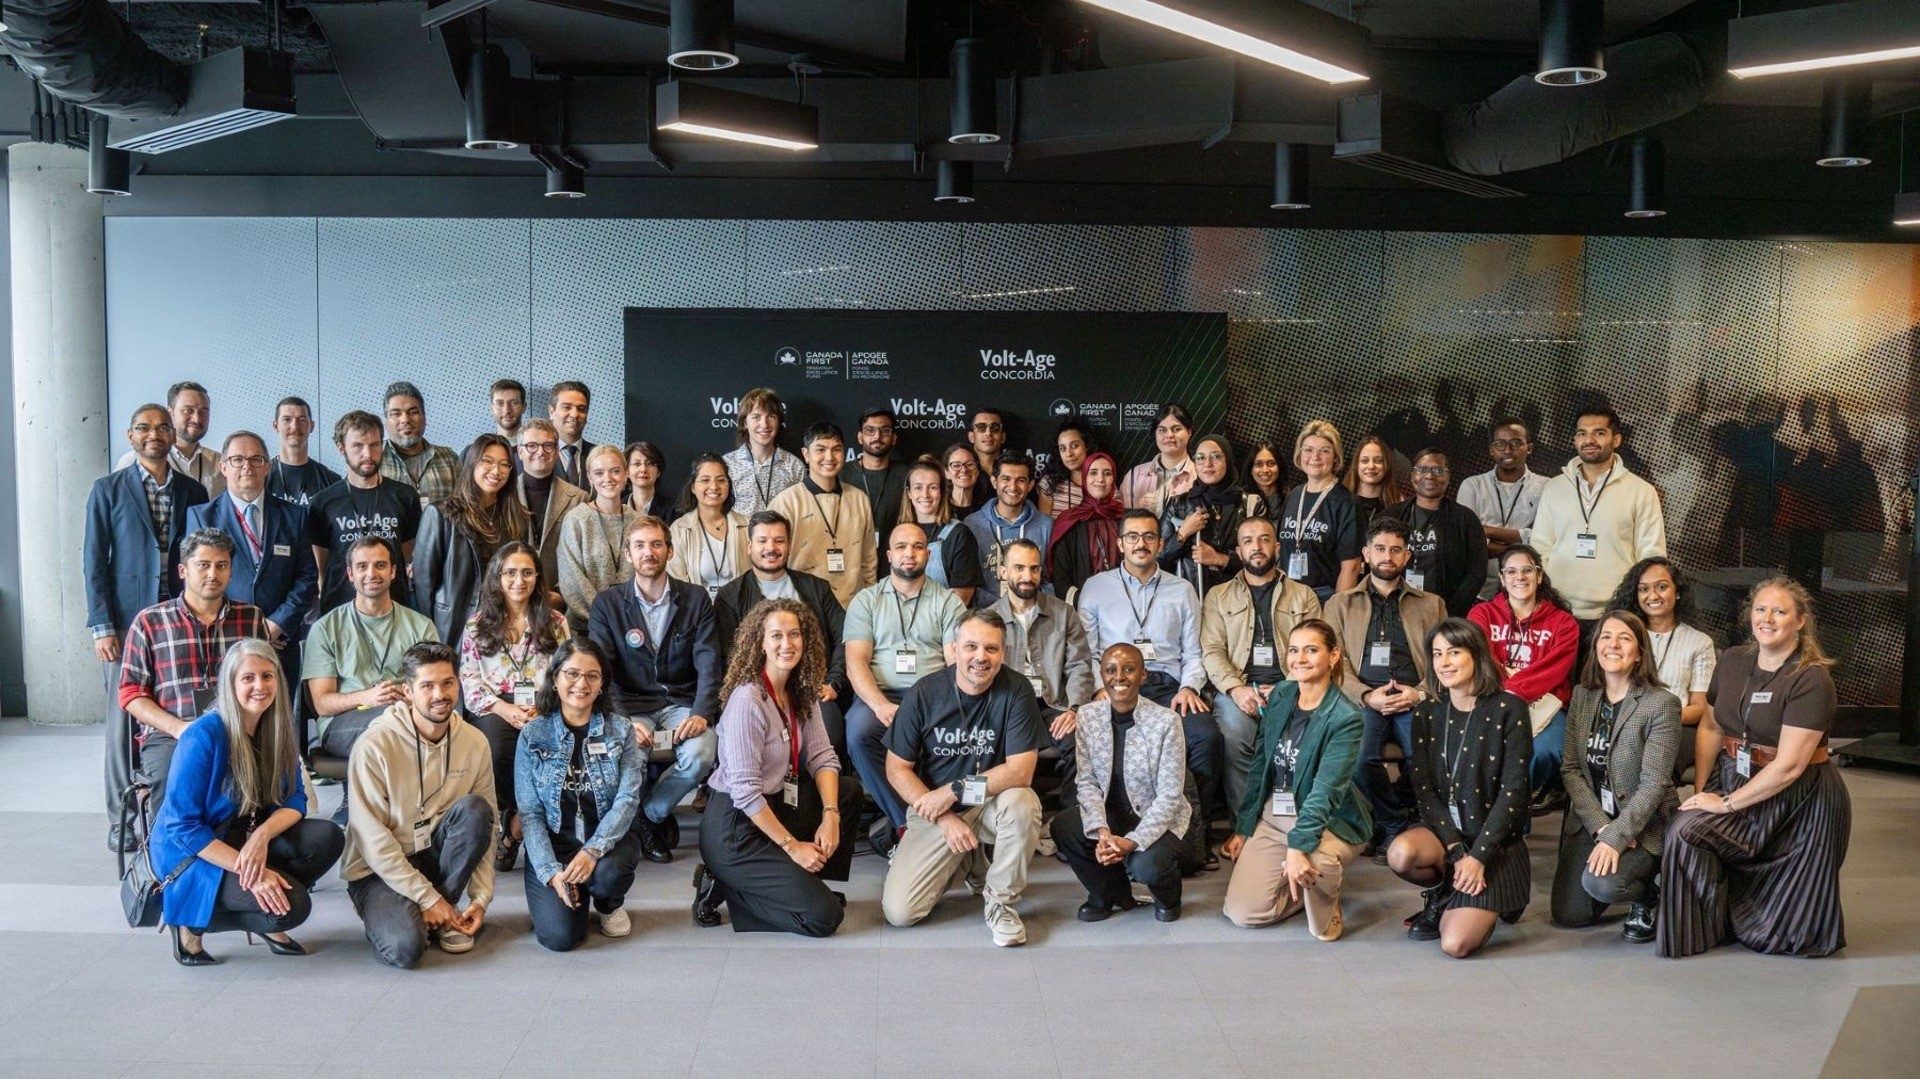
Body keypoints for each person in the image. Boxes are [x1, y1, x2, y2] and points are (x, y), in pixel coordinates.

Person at [1661, 577, 1850, 959]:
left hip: (1799, 800)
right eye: (1761, 609)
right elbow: (1711, 726)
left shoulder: (1812, 678)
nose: (1768, 619)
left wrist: (1726, 804)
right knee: (1685, 830)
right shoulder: (1732, 660)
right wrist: (1703, 789)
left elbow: (1790, 766)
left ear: (1800, 621)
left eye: (1780, 611)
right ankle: (1705, 927)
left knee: (1787, 937)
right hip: (1734, 773)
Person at [148, 639, 345, 965]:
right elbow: (182, 828)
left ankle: (256, 898)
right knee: (293, 908)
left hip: (245, 836)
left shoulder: (277, 728)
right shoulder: (203, 735)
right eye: (248, 678)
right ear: (230, 684)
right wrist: (254, 873)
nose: (260, 686)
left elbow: (295, 798)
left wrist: (261, 837)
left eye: (267, 676)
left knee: (328, 837)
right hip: (194, 853)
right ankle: (191, 922)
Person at [693, 599, 856, 936]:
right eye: (777, 635)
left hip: (778, 802)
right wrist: (793, 847)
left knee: (847, 793)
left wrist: (831, 815)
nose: (787, 644)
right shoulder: (747, 700)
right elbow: (746, 794)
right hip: (735, 828)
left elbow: (823, 757)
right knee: (824, 918)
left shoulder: (801, 690)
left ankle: (803, 881)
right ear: (761, 643)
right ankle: (728, 885)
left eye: (794, 634)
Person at [881, 610, 1044, 947]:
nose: (980, 657)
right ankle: (969, 861)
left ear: (1003, 653)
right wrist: (943, 817)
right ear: (954, 649)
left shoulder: (1017, 689)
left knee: (1024, 803)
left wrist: (955, 790)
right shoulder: (924, 693)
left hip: (990, 801)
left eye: (991, 648)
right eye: (971, 646)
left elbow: (1021, 771)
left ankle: (1001, 903)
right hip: (935, 809)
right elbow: (896, 768)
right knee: (901, 913)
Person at [89, 403, 212, 848]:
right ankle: (121, 821)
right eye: (143, 428)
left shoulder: (193, 490)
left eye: (162, 428)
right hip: (126, 622)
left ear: (173, 435)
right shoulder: (108, 490)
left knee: (179, 710)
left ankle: (179, 809)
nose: (154, 434)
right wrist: (102, 624)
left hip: (178, 619)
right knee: (124, 719)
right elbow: (93, 561)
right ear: (131, 436)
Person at [342, 642, 497, 969]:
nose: (440, 694)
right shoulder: (374, 746)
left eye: (447, 683)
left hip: (432, 856)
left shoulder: (474, 741)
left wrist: (481, 898)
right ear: (407, 692)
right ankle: (423, 909)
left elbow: (489, 825)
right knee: (405, 949)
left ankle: (443, 909)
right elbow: (373, 842)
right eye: (427, 686)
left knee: (477, 810)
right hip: (378, 870)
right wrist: (427, 897)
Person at [1387, 618, 1532, 958]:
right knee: (1400, 853)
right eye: (1437, 654)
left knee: (1454, 944)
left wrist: (1478, 857)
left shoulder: (1509, 709)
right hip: (1448, 836)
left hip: (1495, 845)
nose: (1444, 663)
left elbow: (1513, 794)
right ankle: (1445, 892)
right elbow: (1423, 788)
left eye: (1454, 652)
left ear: (1476, 655)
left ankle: (1497, 895)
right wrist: (1456, 851)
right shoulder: (1427, 712)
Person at [586, 516, 723, 863]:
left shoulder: (695, 599)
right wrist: (622, 720)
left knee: (703, 752)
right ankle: (638, 824)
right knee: (630, 754)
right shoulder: (607, 604)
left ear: (670, 551)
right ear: (628, 554)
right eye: (640, 545)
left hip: (681, 702)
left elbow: (709, 663)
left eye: (657, 544)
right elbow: (601, 671)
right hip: (630, 706)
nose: (649, 552)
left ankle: (650, 814)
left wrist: (701, 713)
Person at [1221, 620, 1370, 937]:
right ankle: (1306, 886)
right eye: (1293, 650)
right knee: (1243, 913)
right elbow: (1261, 762)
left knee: (1318, 868)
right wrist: (1245, 826)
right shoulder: (1282, 694)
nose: (1299, 659)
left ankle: (1326, 890)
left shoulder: (1346, 718)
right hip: (1277, 811)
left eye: (1311, 650)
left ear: (1333, 656)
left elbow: (1325, 792)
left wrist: (1297, 846)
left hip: (1328, 818)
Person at [1076, 509, 1221, 830]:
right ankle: (1108, 828)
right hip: (1117, 687)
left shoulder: (1182, 590)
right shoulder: (1096, 587)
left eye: (1149, 536)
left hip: (1169, 688)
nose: (1140, 543)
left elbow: (1193, 652)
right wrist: (1099, 688)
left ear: (1160, 543)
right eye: (1132, 536)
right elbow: (1088, 652)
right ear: (1120, 544)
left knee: (1206, 738)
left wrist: (1189, 687)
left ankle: (1195, 830)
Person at [1552, 610, 1680, 941]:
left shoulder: (1661, 704)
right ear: (1595, 646)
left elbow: (1654, 784)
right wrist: (1601, 827)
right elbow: (1571, 768)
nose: (1613, 645)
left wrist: (1618, 835)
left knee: (1602, 884)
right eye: (1606, 637)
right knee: (1569, 914)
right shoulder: (1582, 696)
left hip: (1642, 822)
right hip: (1595, 818)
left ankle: (1647, 894)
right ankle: (1618, 872)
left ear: (1639, 653)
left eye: (1625, 638)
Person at [119, 529, 267, 808]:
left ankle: (245, 836)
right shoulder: (150, 622)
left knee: (264, 779)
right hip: (172, 732)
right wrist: (179, 729)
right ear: (183, 571)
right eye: (203, 565)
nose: (213, 574)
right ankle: (171, 838)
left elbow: (266, 682)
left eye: (221, 566)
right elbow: (130, 693)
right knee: (173, 780)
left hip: (238, 728)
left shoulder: (251, 618)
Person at [516, 639, 646, 950]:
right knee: (560, 938)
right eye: (572, 674)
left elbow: (627, 800)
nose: (581, 684)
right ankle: (572, 887)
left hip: (606, 842)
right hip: (556, 847)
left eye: (592, 676)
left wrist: (592, 852)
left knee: (608, 876)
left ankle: (607, 903)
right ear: (555, 678)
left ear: (602, 684)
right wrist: (551, 872)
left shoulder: (621, 731)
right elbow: (530, 814)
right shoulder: (533, 734)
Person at [1324, 517, 1446, 848]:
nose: (1387, 556)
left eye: (1395, 550)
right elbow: (1334, 662)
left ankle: (1395, 819)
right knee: (1359, 760)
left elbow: (1444, 659)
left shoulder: (1431, 604)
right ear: (1366, 554)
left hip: (1413, 696)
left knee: (1425, 760)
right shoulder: (1339, 604)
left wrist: (1419, 693)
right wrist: (1366, 695)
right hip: (1362, 698)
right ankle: (1395, 824)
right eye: (1380, 549)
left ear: (1407, 556)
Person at [1054, 643, 1194, 922]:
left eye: (1129, 669)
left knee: (1146, 865)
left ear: (1143, 675)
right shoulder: (1088, 716)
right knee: (1064, 827)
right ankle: (1109, 894)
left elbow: (1170, 796)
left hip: (1157, 818)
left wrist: (1132, 841)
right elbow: (1087, 782)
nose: (1119, 677)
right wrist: (1102, 831)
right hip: (1111, 814)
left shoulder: (1166, 721)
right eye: (1110, 670)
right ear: (1102, 676)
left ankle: (1168, 897)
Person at [842, 523, 968, 833]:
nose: (909, 553)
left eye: (917, 547)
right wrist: (880, 705)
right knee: (859, 733)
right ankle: (908, 825)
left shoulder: (948, 601)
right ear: (888, 555)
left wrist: (943, 705)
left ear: (928, 554)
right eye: (901, 547)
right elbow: (855, 663)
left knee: (959, 731)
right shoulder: (866, 600)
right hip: (880, 696)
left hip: (932, 698)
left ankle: (940, 815)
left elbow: (956, 663)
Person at [457, 541, 570, 872]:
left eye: (527, 573)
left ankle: (519, 828)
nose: (519, 581)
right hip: (494, 707)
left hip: (545, 704)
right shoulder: (477, 625)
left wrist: (545, 706)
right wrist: (504, 709)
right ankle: (514, 818)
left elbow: (568, 673)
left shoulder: (555, 621)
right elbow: (470, 683)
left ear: (537, 577)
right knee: (495, 750)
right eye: (510, 573)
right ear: (497, 576)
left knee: (552, 749)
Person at [1202, 516, 1324, 817]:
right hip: (1239, 689)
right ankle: (1247, 825)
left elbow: (1315, 650)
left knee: (1304, 737)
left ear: (1277, 547)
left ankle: (1295, 825)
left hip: (1293, 688)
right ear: (1239, 552)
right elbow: (1212, 651)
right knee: (1233, 736)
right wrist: (1236, 689)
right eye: (1248, 541)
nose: (1256, 547)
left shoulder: (1304, 595)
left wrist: (1289, 687)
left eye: (1264, 539)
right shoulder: (1218, 596)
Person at [304, 536, 440, 795]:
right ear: (350, 574)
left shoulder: (421, 626)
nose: (371, 573)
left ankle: (396, 804)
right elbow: (322, 703)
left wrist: (407, 698)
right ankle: (389, 803)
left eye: (380, 565)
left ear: (393, 571)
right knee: (395, 723)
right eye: (362, 566)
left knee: (435, 722)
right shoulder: (325, 628)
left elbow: (434, 687)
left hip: (408, 713)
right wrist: (368, 696)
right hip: (342, 722)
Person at [186, 430, 318, 692]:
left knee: (281, 714)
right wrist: (248, 631)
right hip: (224, 642)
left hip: (280, 642)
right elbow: (198, 582)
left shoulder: (295, 516)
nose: (247, 466)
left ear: (267, 467)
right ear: (223, 467)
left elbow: (307, 577)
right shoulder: (201, 517)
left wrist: (276, 625)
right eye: (237, 460)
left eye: (256, 459)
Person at [713, 511, 850, 756]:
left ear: (789, 545)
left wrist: (834, 681)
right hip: (760, 692)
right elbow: (729, 656)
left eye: (779, 540)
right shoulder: (730, 596)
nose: (771, 548)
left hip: (813, 689)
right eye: (763, 541)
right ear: (749, 547)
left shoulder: (816, 588)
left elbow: (846, 635)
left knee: (830, 733)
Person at [1530, 406, 1668, 632]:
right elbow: (1540, 547)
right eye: (1582, 433)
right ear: (1575, 440)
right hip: (1557, 610)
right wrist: (1543, 599)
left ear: (1617, 440)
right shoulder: (1554, 487)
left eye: (1599, 433)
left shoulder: (1642, 491)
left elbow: (1651, 555)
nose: (1589, 440)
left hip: (1617, 612)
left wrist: (1636, 606)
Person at [1468, 545, 1580, 813]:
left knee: (1543, 752)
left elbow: (1553, 670)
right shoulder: (1481, 614)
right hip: (1491, 700)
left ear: (1539, 576)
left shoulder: (1564, 623)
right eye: (1511, 571)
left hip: (1545, 705)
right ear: (1502, 578)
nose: (1520, 577)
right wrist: (1505, 691)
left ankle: (1509, 814)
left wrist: (1513, 688)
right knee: (1485, 752)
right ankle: (1499, 818)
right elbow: (1481, 660)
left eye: (1527, 570)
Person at [988, 539, 1096, 812]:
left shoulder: (1063, 613)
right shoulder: (988, 619)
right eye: (1019, 568)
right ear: (1003, 571)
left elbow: (1080, 666)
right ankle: (1004, 817)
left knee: (1078, 742)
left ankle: (1070, 821)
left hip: (1053, 705)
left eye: (1034, 569)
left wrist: (1075, 709)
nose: (1027, 576)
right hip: (1008, 709)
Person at [413, 435, 530, 644]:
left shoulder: (516, 516)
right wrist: (429, 637)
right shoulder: (440, 513)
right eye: (488, 461)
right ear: (472, 464)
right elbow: (423, 584)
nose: (496, 471)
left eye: (504, 464)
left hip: (502, 624)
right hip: (453, 626)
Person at [307, 410, 421, 615]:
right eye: (358, 446)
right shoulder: (322, 503)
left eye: (374, 445)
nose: (368, 454)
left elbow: (405, 554)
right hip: (339, 610)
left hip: (393, 607)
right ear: (341, 448)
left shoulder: (405, 496)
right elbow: (322, 568)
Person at [768, 422, 877, 608]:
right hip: (800, 607)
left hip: (852, 607)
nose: (829, 457)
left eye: (836, 450)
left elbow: (869, 563)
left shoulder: (860, 499)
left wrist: (868, 606)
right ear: (806, 454)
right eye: (820, 449)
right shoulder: (785, 503)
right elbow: (772, 564)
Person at [1608, 557, 1716, 736]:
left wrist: (1658, 718)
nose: (1653, 596)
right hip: (1621, 727)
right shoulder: (1621, 636)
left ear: (1677, 591)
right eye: (1644, 589)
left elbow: (1699, 708)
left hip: (1673, 730)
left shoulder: (1700, 642)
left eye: (1662, 587)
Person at [1387, 448, 1487, 616]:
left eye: (1438, 471)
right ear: (1412, 476)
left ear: (1448, 477)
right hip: (1396, 609)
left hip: (1445, 611)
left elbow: (1476, 572)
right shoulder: (1392, 515)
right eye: (1422, 470)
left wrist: (1449, 612)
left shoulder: (1465, 519)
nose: (1429, 476)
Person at [1456, 418, 1550, 595]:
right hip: (1479, 590)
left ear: (1529, 448)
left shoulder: (1547, 487)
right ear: (1492, 450)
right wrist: (1522, 544)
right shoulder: (1472, 486)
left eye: (1516, 443)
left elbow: (1544, 540)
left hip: (1528, 589)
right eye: (1500, 444)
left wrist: (1486, 531)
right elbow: (1465, 541)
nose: (1507, 450)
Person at [556, 444, 638, 634]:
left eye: (615, 471)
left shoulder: (638, 521)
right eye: (599, 473)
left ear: (626, 474)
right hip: (585, 630)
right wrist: (606, 619)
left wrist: (627, 620)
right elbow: (572, 583)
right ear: (590, 477)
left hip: (632, 627)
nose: (608, 478)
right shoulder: (576, 520)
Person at [1281, 420, 1362, 601]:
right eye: (1308, 450)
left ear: (1335, 457)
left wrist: (1336, 611)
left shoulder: (1346, 503)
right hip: (1288, 596)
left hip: (1324, 597)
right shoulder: (1294, 495)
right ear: (1300, 454)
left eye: (1324, 451)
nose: (1315, 457)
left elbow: (1351, 567)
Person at [1158, 434, 1244, 598]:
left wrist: (1220, 559)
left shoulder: (1248, 504)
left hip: (1237, 600)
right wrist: (1182, 534)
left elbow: (1263, 558)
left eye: (1216, 456)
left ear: (1228, 460)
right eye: (1200, 458)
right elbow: (1156, 557)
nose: (1207, 464)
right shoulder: (1179, 505)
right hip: (1192, 600)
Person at [965, 451, 1052, 607]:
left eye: (1021, 480)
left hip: (1032, 612)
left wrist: (1026, 607)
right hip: (985, 614)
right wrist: (998, 609)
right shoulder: (972, 524)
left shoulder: (1046, 526)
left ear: (1030, 485)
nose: (1013, 487)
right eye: (1006, 479)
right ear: (994, 481)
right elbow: (969, 582)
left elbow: (1050, 580)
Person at [899, 454, 984, 607]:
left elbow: (963, 597)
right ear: (909, 492)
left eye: (933, 487)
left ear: (942, 492)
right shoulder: (898, 534)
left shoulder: (959, 534)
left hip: (946, 621)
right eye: (918, 487)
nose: (925, 495)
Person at [514, 418, 589, 589]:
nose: (541, 452)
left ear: (556, 451)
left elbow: (583, 557)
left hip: (562, 595)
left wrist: (561, 594)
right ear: (520, 451)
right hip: (515, 592)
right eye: (532, 446)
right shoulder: (505, 495)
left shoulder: (579, 499)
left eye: (548, 445)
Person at [117, 380, 223, 497]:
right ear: (169, 413)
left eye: (204, 412)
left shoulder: (221, 464)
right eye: (188, 410)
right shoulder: (132, 461)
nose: (197, 418)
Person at [666, 453, 750, 597]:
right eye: (705, 480)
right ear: (693, 487)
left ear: (728, 485)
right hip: (697, 608)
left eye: (721, 480)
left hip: (742, 607)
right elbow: (677, 584)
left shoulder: (747, 526)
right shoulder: (679, 529)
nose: (714, 486)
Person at [1046, 452, 1123, 599]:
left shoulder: (1126, 519)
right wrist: (1082, 602)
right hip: (1082, 605)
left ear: (1113, 479)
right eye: (1093, 473)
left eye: (1107, 473)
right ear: (1084, 478)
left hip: (1125, 603)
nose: (1100, 479)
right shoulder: (1068, 521)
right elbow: (1060, 578)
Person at [723, 386, 806, 516]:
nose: (764, 424)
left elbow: (803, 513)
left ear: (779, 422)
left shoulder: (794, 466)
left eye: (771, 416)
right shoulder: (727, 464)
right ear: (745, 423)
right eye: (756, 417)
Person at [377, 381, 461, 506]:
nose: (405, 420)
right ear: (386, 421)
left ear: (424, 417)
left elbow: (465, 508)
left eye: (413, 412)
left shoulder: (449, 459)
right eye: (396, 414)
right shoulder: (374, 460)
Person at [847, 406, 909, 562]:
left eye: (885, 430)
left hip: (895, 561)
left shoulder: (907, 475)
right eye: (870, 430)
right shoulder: (842, 474)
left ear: (894, 438)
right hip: (851, 559)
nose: (877, 436)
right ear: (860, 437)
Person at [1120, 404, 1198, 515]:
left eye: (1176, 429)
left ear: (1189, 432)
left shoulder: (1200, 476)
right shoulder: (1134, 476)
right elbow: (1123, 520)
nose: (1169, 435)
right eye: (1162, 430)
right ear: (1155, 433)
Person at [266, 396, 341, 509]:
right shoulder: (261, 477)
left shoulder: (331, 481)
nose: (295, 427)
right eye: (287, 420)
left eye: (302, 420)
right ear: (276, 426)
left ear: (312, 426)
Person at [1344, 434, 1405, 541]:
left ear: (1386, 465)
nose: (1371, 466)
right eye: (1364, 461)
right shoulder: (1341, 499)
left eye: (1378, 461)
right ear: (1356, 465)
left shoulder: (1398, 503)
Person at [1037, 419, 1091, 517]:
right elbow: (1044, 524)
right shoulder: (1049, 483)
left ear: (1087, 446)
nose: (1069, 454)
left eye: (1074, 446)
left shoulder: (1103, 482)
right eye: (1063, 449)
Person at [549, 380, 595, 487]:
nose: (574, 414)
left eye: (581, 409)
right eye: (566, 407)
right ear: (551, 412)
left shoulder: (599, 455)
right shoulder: (535, 454)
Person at [1241, 439, 1287, 522]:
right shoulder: (1240, 501)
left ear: (1279, 467)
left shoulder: (1292, 499)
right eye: (1259, 464)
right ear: (1250, 469)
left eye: (1271, 463)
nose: (1265, 470)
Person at [624, 441, 672, 520]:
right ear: (627, 472)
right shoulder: (615, 508)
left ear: (658, 472)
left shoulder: (673, 511)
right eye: (637, 464)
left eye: (650, 463)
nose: (643, 469)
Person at [943, 442, 986, 515]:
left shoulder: (987, 509)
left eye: (970, 464)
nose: (964, 470)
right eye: (956, 465)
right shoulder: (938, 508)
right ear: (947, 473)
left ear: (978, 471)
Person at [490, 378, 527, 443]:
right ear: (492, 409)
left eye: (514, 403)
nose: (506, 411)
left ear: (524, 407)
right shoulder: (480, 448)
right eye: (500, 403)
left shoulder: (538, 447)